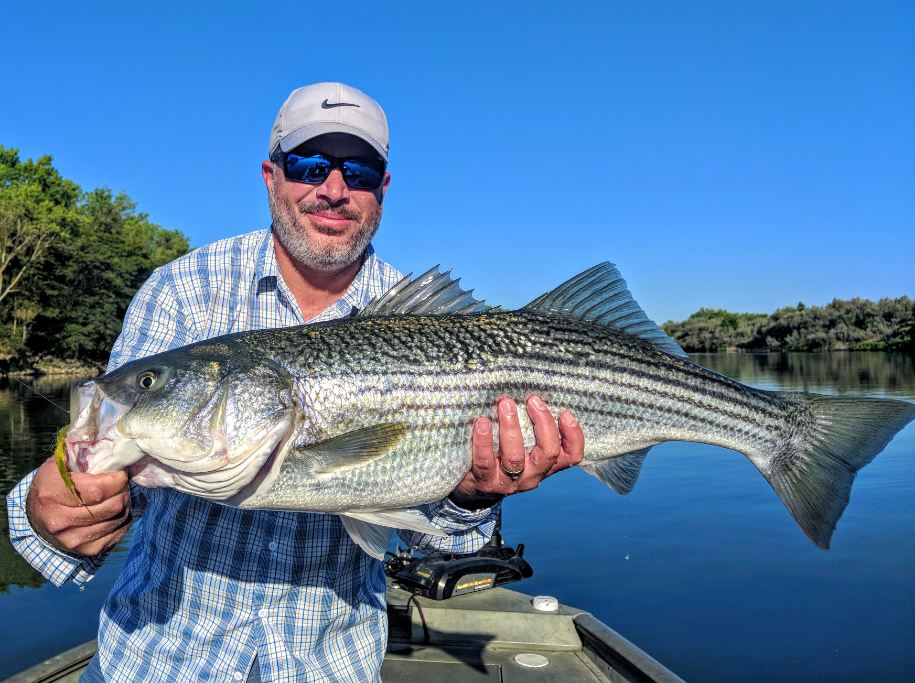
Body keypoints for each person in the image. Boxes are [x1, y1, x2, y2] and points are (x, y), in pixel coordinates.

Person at [7, 82, 584, 682]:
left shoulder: (425, 318)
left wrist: (475, 495)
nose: (333, 190)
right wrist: (55, 508)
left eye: (358, 171)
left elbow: (448, 551)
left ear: (382, 188)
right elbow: (112, 485)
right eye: (309, 164)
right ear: (270, 175)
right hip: (159, 659)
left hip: (327, 665)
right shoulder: (181, 290)